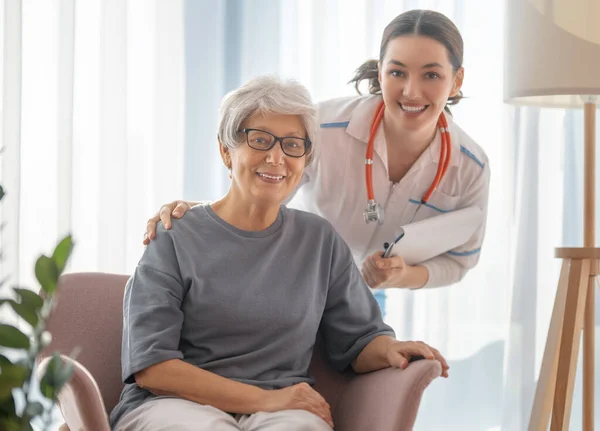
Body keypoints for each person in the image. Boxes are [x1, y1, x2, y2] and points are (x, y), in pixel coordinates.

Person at [110, 75, 448, 431]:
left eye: (292, 145)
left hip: (282, 414)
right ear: (226, 150)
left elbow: (359, 339)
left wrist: (389, 350)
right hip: (176, 406)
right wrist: (267, 398)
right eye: (259, 140)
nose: (276, 157)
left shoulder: (319, 241)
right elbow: (152, 367)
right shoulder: (174, 236)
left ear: (305, 159)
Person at [143, 9, 490, 315]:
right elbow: (260, 193)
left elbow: (460, 262)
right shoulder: (322, 127)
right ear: (380, 73)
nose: (411, 91)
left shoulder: (471, 167)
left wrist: (403, 275)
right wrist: (199, 214)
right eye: (397, 72)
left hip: (365, 298)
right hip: (290, 281)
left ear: (456, 81)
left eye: (431, 75)